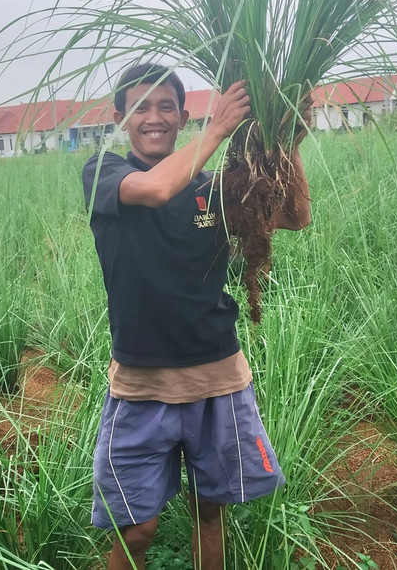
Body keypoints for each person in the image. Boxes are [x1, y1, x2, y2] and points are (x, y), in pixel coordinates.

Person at [82, 63, 311, 570]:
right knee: (136, 531)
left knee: (211, 512)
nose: (154, 117)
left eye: (166, 106)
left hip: (216, 376)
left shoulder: (214, 187)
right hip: (142, 385)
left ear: (182, 115)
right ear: (120, 117)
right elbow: (157, 189)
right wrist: (218, 130)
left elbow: (294, 216)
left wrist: (289, 139)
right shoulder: (104, 173)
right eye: (140, 107)